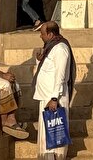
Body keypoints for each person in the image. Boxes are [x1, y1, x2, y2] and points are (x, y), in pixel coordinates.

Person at [32, 21, 75, 159]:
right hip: (46, 97)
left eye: (42, 33)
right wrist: (39, 60)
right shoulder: (50, 47)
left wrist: (55, 98)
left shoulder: (60, 48)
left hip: (54, 97)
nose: (40, 36)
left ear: (50, 34)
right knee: (46, 133)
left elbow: (61, 75)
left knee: (55, 133)